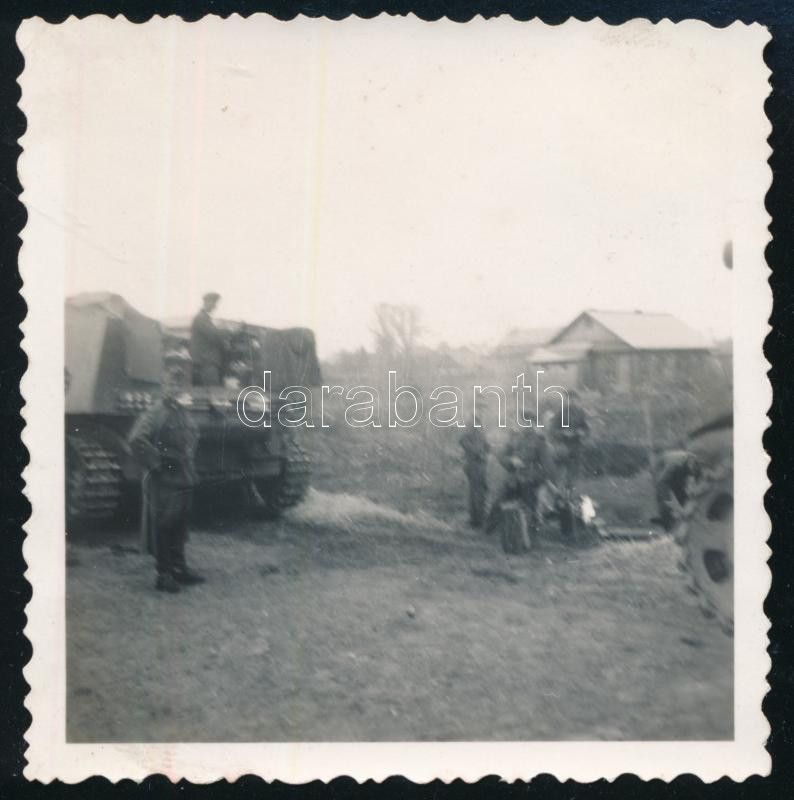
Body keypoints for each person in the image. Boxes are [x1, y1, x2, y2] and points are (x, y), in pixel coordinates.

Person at [128, 348, 205, 592]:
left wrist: (188, 458)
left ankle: (179, 568)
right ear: (163, 385)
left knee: (180, 523)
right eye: (172, 383)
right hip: (166, 479)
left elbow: (193, 434)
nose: (175, 387)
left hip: (184, 476)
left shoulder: (182, 411)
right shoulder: (156, 412)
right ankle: (163, 574)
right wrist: (158, 463)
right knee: (165, 523)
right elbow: (136, 439)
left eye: (179, 384)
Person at [485, 421, 557, 535]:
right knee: (499, 503)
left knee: (530, 509)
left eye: (529, 422)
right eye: (523, 422)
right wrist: (511, 461)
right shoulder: (515, 438)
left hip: (530, 482)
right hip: (513, 480)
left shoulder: (540, 442)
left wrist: (535, 477)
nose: (525, 425)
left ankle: (531, 534)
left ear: (534, 424)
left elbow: (547, 468)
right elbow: (501, 456)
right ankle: (489, 531)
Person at [459, 415, 491, 529]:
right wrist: (476, 452)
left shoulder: (481, 431)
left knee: (481, 491)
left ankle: (479, 518)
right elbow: (462, 440)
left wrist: (485, 452)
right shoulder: (470, 428)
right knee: (475, 492)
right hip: (473, 465)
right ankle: (476, 520)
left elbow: (487, 446)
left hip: (481, 465)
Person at [190, 292, 226, 386]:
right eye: (214, 303)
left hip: (206, 362)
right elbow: (214, 335)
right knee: (212, 390)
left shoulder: (204, 318)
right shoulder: (201, 318)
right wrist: (225, 331)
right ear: (207, 302)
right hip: (206, 362)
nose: (215, 306)